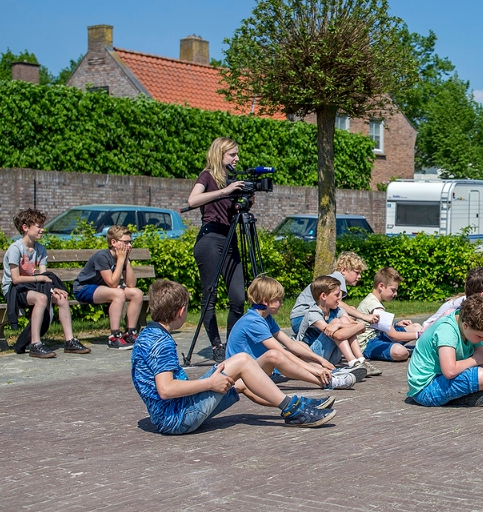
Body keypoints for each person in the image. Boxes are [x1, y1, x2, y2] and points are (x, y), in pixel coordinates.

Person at [131, 279, 336, 433]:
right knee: (243, 361)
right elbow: (166, 389)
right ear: (181, 311)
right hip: (177, 418)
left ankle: (295, 405)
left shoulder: (149, 335)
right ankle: (293, 409)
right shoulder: (161, 342)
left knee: (243, 380)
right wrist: (210, 384)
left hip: (172, 413)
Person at [227, 276, 359, 391]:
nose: (282, 303)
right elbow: (281, 351)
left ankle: (330, 372)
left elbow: (290, 343)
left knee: (299, 344)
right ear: (265, 300)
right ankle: (325, 381)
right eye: (278, 299)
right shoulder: (253, 322)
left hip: (258, 367)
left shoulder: (265, 317)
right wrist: (313, 369)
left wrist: (320, 360)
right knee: (275, 355)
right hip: (241, 374)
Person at [187, 137, 248, 363]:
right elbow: (193, 200)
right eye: (232, 154)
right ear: (220, 154)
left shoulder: (233, 180)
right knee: (210, 294)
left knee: (238, 297)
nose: (236, 158)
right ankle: (216, 345)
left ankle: (231, 343)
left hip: (230, 237)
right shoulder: (207, 176)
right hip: (210, 237)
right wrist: (225, 191)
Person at [1, 208, 90, 358]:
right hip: (14, 290)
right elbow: (15, 279)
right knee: (41, 299)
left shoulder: (40, 249)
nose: (42, 230)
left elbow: (44, 275)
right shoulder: (15, 249)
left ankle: (70, 341)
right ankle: (35, 343)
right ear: (25, 227)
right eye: (39, 226)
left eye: (42, 226)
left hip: (33, 288)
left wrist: (52, 288)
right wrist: (40, 279)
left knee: (61, 297)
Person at [406, 294, 483, 407]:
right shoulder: (447, 331)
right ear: (465, 325)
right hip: (425, 390)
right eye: (480, 337)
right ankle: (466, 396)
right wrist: (476, 359)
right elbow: (449, 371)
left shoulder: (469, 326)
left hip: (444, 378)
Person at [289, 251, 381, 377]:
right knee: (339, 323)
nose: (359, 276)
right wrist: (363, 318)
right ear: (343, 269)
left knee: (343, 320)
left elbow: (342, 310)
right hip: (301, 316)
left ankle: (359, 360)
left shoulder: (334, 288)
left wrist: (351, 324)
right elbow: (341, 305)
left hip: (311, 317)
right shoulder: (336, 280)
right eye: (357, 272)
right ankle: (354, 361)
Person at [72, 225, 144, 350]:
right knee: (118, 293)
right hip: (84, 288)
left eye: (130, 242)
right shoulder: (102, 257)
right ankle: (114, 337)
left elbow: (132, 284)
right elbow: (112, 283)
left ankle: (130, 333)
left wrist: (126, 261)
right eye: (126, 242)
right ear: (113, 242)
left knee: (137, 293)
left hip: (104, 289)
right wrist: (121, 260)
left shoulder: (122, 257)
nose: (130, 245)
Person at [294, 275, 370, 374]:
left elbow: (352, 325)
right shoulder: (313, 313)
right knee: (335, 324)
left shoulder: (336, 309)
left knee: (342, 321)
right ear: (324, 296)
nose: (340, 298)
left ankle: (360, 360)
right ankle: (352, 362)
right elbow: (337, 335)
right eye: (337, 295)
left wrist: (343, 324)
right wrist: (359, 325)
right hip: (312, 357)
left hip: (332, 356)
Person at [356, 267, 420, 363]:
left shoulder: (374, 299)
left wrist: (394, 325)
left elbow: (377, 326)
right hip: (368, 344)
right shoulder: (375, 306)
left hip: (379, 335)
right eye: (393, 290)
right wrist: (419, 335)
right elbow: (394, 336)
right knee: (400, 352)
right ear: (381, 286)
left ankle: (410, 348)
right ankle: (411, 350)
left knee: (416, 327)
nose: (395, 294)